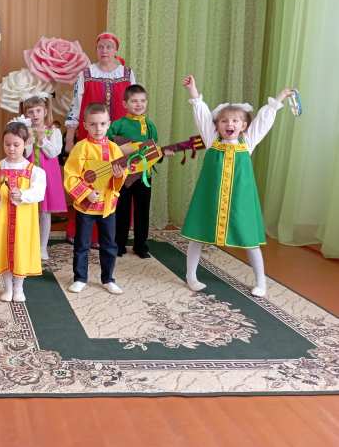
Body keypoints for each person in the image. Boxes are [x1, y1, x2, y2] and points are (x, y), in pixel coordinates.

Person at [180, 75, 294, 297]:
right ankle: (191, 276)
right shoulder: (212, 140)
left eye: (235, 121)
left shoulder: (247, 142)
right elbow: (201, 113)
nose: (229, 124)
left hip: (240, 200)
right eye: (224, 121)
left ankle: (261, 281)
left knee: (250, 239)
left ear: (244, 126)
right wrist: (193, 90)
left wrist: (279, 98)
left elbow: (264, 120)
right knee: (198, 235)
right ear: (217, 125)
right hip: (210, 198)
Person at [64, 32, 136, 243]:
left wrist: (136, 137)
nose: (105, 50)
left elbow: (134, 106)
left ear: (116, 50)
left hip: (121, 139)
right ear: (96, 50)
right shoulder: (86, 73)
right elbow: (76, 105)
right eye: (101, 47)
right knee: (89, 180)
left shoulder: (127, 74)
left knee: (117, 181)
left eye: (109, 46)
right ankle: (84, 233)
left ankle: (113, 235)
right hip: (91, 137)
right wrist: (70, 138)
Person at [64, 103, 128, 295]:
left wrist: (118, 176)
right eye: (93, 124)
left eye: (102, 124)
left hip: (107, 206)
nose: (98, 128)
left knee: (109, 244)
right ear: (85, 125)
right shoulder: (81, 148)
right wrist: (86, 193)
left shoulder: (114, 149)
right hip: (85, 207)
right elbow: (70, 175)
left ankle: (108, 279)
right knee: (82, 244)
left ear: (109, 124)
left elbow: (122, 175)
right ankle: (80, 278)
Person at [0, 120, 46, 303]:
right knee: (3, 251)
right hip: (2, 219)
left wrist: (23, 194)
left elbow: (39, 193)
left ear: (26, 144)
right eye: (7, 144)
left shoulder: (35, 171)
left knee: (20, 251)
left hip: (23, 222)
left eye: (16, 145)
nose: (11, 148)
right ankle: (8, 288)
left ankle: (19, 288)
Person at [108, 84, 173, 258]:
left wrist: (162, 154)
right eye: (134, 101)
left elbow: (153, 150)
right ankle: (119, 244)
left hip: (144, 175)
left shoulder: (150, 125)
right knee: (121, 210)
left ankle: (140, 245)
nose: (139, 104)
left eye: (142, 101)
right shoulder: (117, 125)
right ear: (125, 104)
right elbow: (108, 147)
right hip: (123, 176)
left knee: (142, 211)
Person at [23, 95, 65, 260]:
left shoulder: (54, 131)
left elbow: (54, 153)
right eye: (31, 112)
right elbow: (24, 154)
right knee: (28, 209)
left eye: (38, 111)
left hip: (48, 175)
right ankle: (28, 244)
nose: (35, 115)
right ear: (26, 114)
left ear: (45, 111)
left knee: (45, 211)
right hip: (28, 175)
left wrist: (42, 140)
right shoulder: (24, 131)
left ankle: (42, 247)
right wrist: (28, 140)